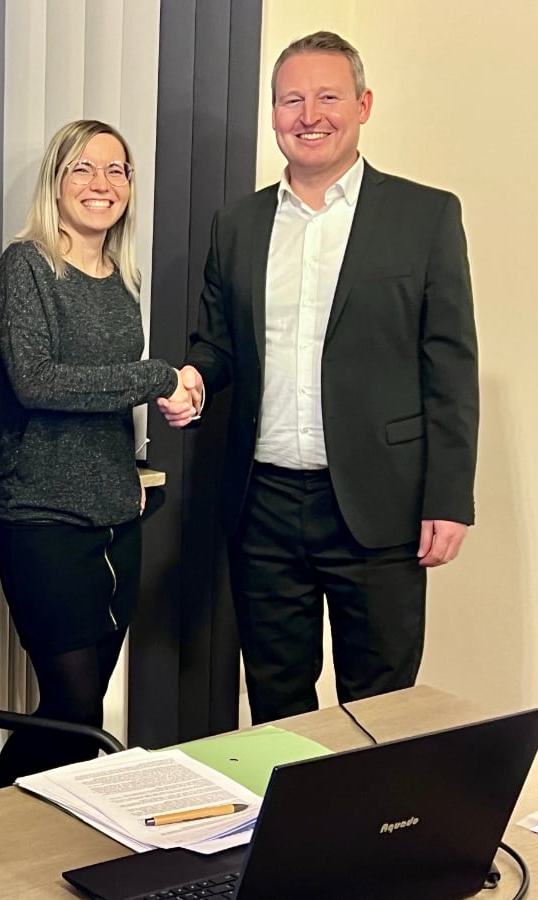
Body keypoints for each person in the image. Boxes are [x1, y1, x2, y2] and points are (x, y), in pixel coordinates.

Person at [158, 31, 478, 724]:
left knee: (381, 706)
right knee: (278, 702)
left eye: (328, 97)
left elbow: (450, 365)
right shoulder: (237, 224)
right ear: (273, 112)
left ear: (363, 105)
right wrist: (194, 380)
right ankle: (295, 804)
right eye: (291, 100)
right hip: (263, 503)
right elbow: (217, 344)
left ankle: (378, 804)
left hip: (381, 505)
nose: (309, 116)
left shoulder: (426, 216)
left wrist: (450, 498)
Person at [0, 120, 194, 788]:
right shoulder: (27, 267)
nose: (101, 183)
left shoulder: (122, 278)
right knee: (71, 707)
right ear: (56, 181)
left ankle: (47, 840)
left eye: (116, 170)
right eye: (83, 168)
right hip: (44, 519)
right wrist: (157, 376)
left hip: (116, 519)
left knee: (86, 710)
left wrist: (156, 419)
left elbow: (107, 395)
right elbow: (37, 382)